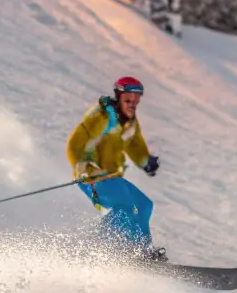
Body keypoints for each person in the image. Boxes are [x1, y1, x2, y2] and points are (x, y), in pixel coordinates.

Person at [66, 75, 165, 259]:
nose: (132, 104)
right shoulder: (102, 117)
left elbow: (135, 147)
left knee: (144, 205)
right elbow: (75, 144)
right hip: (92, 176)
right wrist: (82, 166)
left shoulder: (129, 124)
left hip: (112, 177)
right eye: (128, 99)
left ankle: (143, 251)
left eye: (136, 101)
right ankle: (98, 248)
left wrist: (146, 162)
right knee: (124, 208)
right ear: (118, 97)